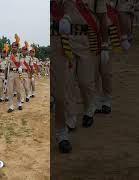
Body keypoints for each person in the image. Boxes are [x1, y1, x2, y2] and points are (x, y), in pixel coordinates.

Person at [52, 0, 109, 153]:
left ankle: (90, 107)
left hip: (85, 39)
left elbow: (102, 17)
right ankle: (66, 125)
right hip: (61, 40)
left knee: (85, 81)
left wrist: (104, 44)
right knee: (65, 87)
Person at [7, 34, 23, 113]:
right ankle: (11, 106)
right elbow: (7, 65)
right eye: (12, 47)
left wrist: (19, 68)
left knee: (19, 90)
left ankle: (19, 103)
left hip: (18, 73)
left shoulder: (20, 56)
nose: (13, 48)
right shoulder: (9, 56)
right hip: (11, 73)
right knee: (10, 90)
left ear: (17, 48)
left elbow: (21, 64)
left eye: (15, 47)